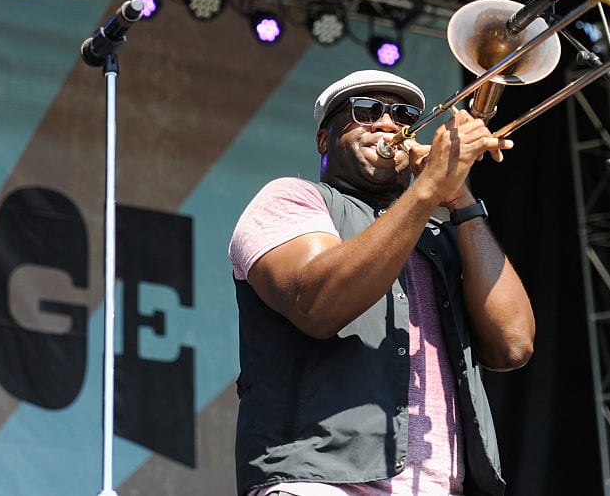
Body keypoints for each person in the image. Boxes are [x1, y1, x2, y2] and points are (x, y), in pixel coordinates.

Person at [228, 68, 535, 496]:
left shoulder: (437, 237)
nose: (389, 123)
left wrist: (459, 196)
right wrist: (426, 190)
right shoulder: (293, 200)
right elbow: (316, 304)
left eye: (404, 114)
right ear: (324, 140)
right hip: (319, 482)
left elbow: (513, 344)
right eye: (366, 111)